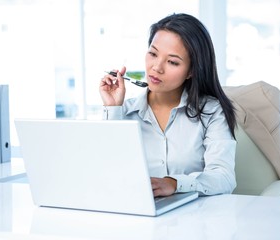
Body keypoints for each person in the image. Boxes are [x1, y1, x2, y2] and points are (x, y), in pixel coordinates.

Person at [99, 13, 237, 197]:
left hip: (198, 218)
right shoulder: (123, 112)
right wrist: (113, 109)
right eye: (153, 54)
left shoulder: (211, 111)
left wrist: (174, 183)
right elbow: (106, 175)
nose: (157, 67)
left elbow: (224, 177)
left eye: (172, 62)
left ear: (191, 71)